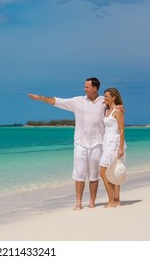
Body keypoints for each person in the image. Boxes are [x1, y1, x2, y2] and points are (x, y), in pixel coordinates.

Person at [28, 77, 105, 210]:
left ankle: (92, 202)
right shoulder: (78, 101)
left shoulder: (104, 102)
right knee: (79, 174)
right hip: (80, 143)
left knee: (94, 175)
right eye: (85, 86)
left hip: (97, 143)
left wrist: (120, 108)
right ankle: (79, 202)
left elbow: (116, 106)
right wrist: (40, 98)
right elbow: (57, 101)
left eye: (87, 87)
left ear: (95, 88)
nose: (84, 89)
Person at [99, 87, 126, 207]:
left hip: (114, 143)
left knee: (103, 172)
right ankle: (116, 200)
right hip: (107, 142)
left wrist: (120, 148)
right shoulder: (106, 110)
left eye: (106, 96)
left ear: (113, 97)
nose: (104, 98)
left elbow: (121, 130)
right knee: (113, 171)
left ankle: (112, 201)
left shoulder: (118, 111)